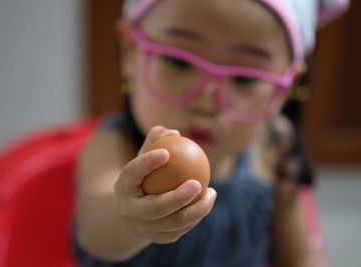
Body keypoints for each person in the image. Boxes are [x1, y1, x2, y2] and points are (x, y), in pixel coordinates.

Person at [73, 0, 349, 266]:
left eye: (245, 78)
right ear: (129, 51)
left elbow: (300, 257)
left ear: (286, 89)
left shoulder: (273, 150)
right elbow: (95, 231)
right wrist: (131, 219)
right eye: (179, 62)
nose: (206, 101)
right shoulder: (113, 144)